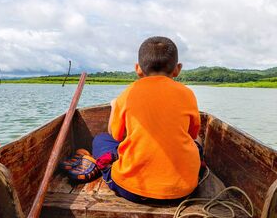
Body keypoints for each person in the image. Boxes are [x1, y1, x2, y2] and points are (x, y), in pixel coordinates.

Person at [68, 36, 203, 203]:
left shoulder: (128, 93)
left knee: (101, 139)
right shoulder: (187, 94)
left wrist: (114, 107)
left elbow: (115, 135)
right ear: (177, 69)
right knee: (198, 142)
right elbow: (192, 134)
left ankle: (100, 162)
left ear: (138, 69)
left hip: (131, 189)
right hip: (183, 190)